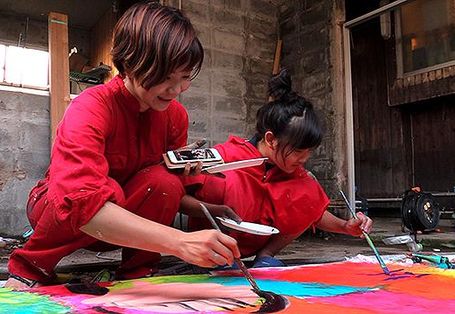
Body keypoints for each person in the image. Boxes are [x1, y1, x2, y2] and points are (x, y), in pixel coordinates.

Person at [6, 2, 239, 290]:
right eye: (166, 78)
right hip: (58, 207)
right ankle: (31, 266)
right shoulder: (91, 107)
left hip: (119, 214)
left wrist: (210, 207)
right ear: (129, 64)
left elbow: (164, 191)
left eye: (185, 78)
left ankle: (137, 272)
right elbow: (80, 202)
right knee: (96, 191)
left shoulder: (175, 116)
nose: (176, 90)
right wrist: (180, 242)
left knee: (165, 178)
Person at [180, 69, 372, 268]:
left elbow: (312, 211)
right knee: (228, 181)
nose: (304, 159)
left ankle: (266, 255)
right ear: (271, 139)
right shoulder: (226, 157)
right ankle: (216, 259)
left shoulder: (294, 175)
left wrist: (345, 226)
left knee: (307, 189)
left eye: (309, 152)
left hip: (256, 246)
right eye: (298, 151)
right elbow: (178, 198)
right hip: (213, 248)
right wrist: (215, 210)